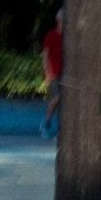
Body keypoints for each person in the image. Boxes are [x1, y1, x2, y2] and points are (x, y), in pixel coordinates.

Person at [40, 8, 63, 139]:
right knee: (56, 98)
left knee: (62, 101)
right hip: (53, 73)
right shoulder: (51, 35)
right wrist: (47, 73)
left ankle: (60, 130)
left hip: (64, 74)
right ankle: (46, 123)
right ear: (58, 20)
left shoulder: (68, 37)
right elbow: (45, 55)